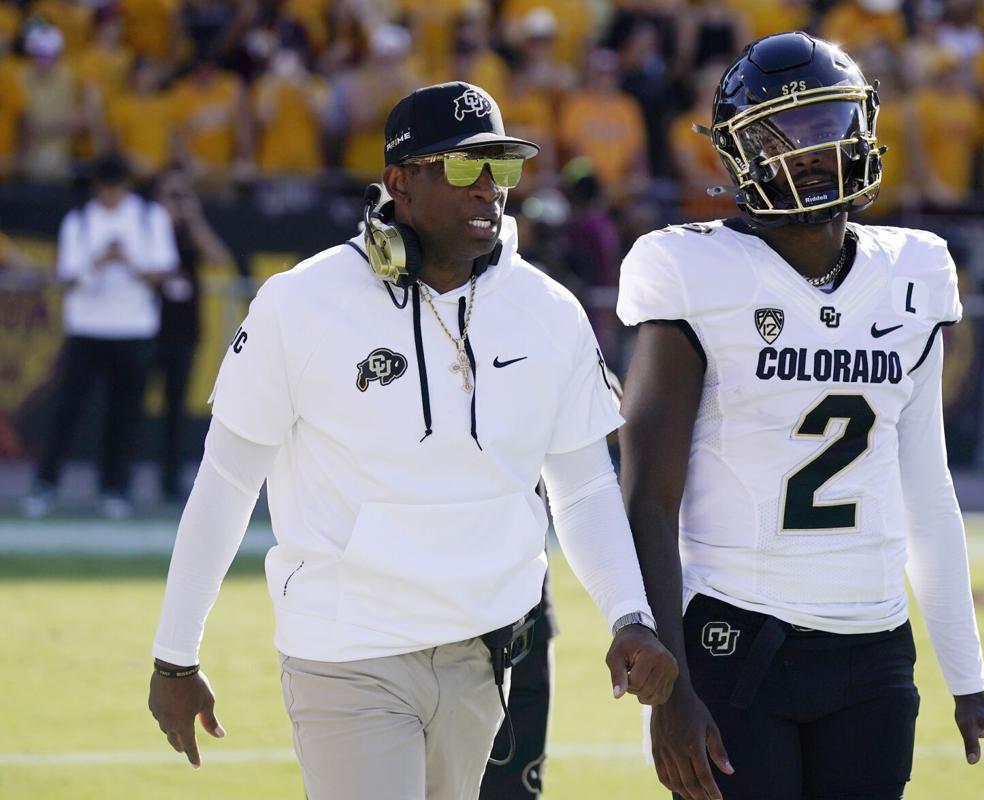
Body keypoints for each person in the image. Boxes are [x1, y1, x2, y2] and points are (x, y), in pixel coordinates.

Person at [147, 81, 677, 800]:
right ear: (398, 182)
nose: (490, 189)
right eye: (464, 168)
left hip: (485, 653)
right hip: (347, 649)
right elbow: (227, 482)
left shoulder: (549, 311)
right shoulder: (300, 303)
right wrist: (175, 657)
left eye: (503, 168)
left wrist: (630, 616)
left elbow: (581, 486)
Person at [616, 32, 984, 800]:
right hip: (737, 634)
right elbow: (649, 496)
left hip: (874, 651)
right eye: (780, 136)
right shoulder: (691, 269)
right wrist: (670, 688)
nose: (810, 152)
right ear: (737, 155)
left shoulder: (914, 271)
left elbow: (927, 489)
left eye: (827, 126)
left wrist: (969, 681)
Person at [23, 151, 178, 519]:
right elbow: (67, 278)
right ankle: (45, 485)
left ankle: (115, 489)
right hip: (87, 328)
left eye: (117, 187)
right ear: (96, 187)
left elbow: (164, 271)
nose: (111, 195)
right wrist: (99, 262)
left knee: (123, 413)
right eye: (105, 188)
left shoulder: (147, 217)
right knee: (67, 410)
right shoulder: (79, 221)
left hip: (133, 328)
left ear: (126, 185)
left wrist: (129, 263)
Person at [151, 166, 234, 502]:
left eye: (183, 195)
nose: (179, 202)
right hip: (147, 327)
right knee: (129, 403)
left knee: (176, 407)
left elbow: (219, 259)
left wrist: (194, 218)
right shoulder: (149, 228)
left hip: (184, 329)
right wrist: (165, 219)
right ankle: (119, 482)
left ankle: (169, 482)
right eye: (173, 195)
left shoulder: (191, 231)